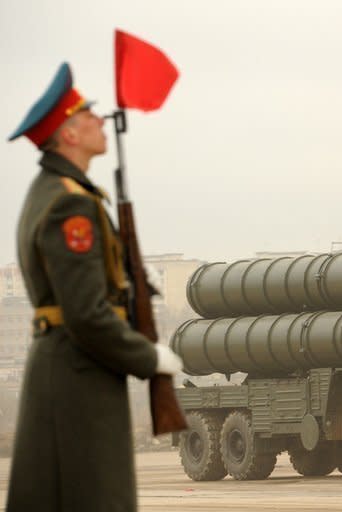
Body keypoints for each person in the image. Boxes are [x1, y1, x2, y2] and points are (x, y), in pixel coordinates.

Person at [5, 62, 183, 511]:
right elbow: (85, 313)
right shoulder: (71, 206)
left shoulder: (55, 192)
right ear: (68, 134)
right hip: (78, 382)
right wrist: (148, 357)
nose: (101, 123)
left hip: (68, 372)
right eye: (88, 116)